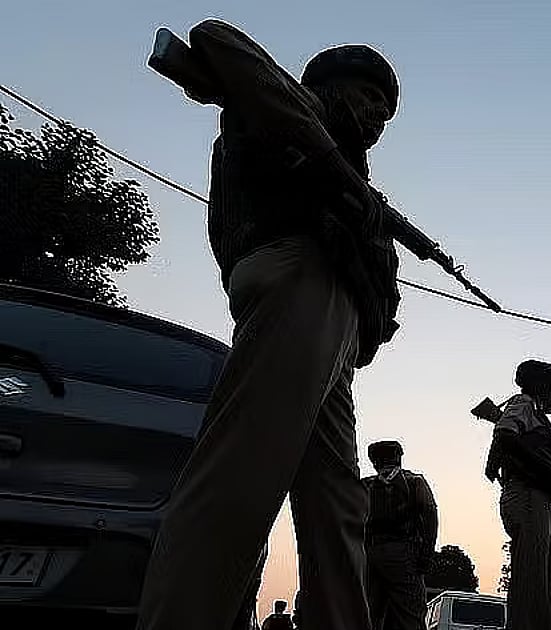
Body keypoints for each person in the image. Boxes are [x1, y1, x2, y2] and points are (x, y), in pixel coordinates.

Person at [136, 18, 403, 630]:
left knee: (335, 503)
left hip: (331, 324)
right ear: (328, 85)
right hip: (297, 288)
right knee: (241, 470)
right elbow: (214, 35)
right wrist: (343, 179)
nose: (375, 122)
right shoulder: (280, 109)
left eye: (385, 118)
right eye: (369, 100)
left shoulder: (337, 159)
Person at [484, 360, 551, 630]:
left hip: (535, 498)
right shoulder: (523, 403)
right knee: (532, 577)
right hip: (528, 496)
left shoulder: (533, 413)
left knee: (545, 578)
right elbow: (505, 435)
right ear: (540, 387)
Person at [363, 440, 439, 630]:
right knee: (411, 614)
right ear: (398, 457)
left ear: (373, 461)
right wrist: (427, 554)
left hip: (369, 553)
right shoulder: (414, 481)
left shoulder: (366, 485)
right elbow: (430, 515)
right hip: (404, 552)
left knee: (369, 614)